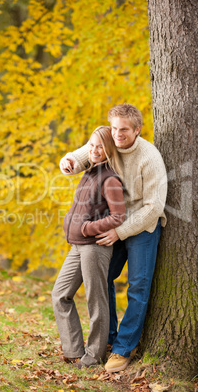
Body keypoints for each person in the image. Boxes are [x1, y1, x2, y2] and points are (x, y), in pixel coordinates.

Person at [59, 104, 167, 372]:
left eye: (124, 130)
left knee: (138, 287)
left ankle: (123, 348)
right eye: (114, 128)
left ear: (137, 130)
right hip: (112, 221)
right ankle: (106, 339)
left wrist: (119, 231)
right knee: (103, 278)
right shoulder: (111, 138)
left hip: (142, 225)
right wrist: (70, 160)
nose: (118, 135)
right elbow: (88, 152)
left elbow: (153, 207)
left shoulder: (149, 157)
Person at [52, 126, 125, 368]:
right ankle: (74, 351)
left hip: (95, 247)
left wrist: (86, 228)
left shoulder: (110, 178)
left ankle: (94, 357)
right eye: (91, 145)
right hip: (77, 247)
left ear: (109, 150)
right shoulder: (90, 172)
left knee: (96, 301)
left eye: (100, 146)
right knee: (60, 294)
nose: (94, 150)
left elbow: (118, 217)